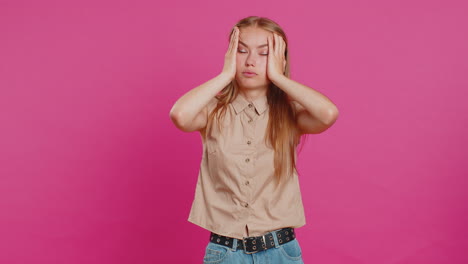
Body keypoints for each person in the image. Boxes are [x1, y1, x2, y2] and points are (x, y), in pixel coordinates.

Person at [169, 16, 339, 264]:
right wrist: (226, 74)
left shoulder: (289, 114)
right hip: (226, 253)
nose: (250, 61)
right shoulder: (212, 111)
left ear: (279, 59)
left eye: (264, 53)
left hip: (282, 252)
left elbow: (328, 114)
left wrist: (279, 77)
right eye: (241, 50)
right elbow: (179, 115)